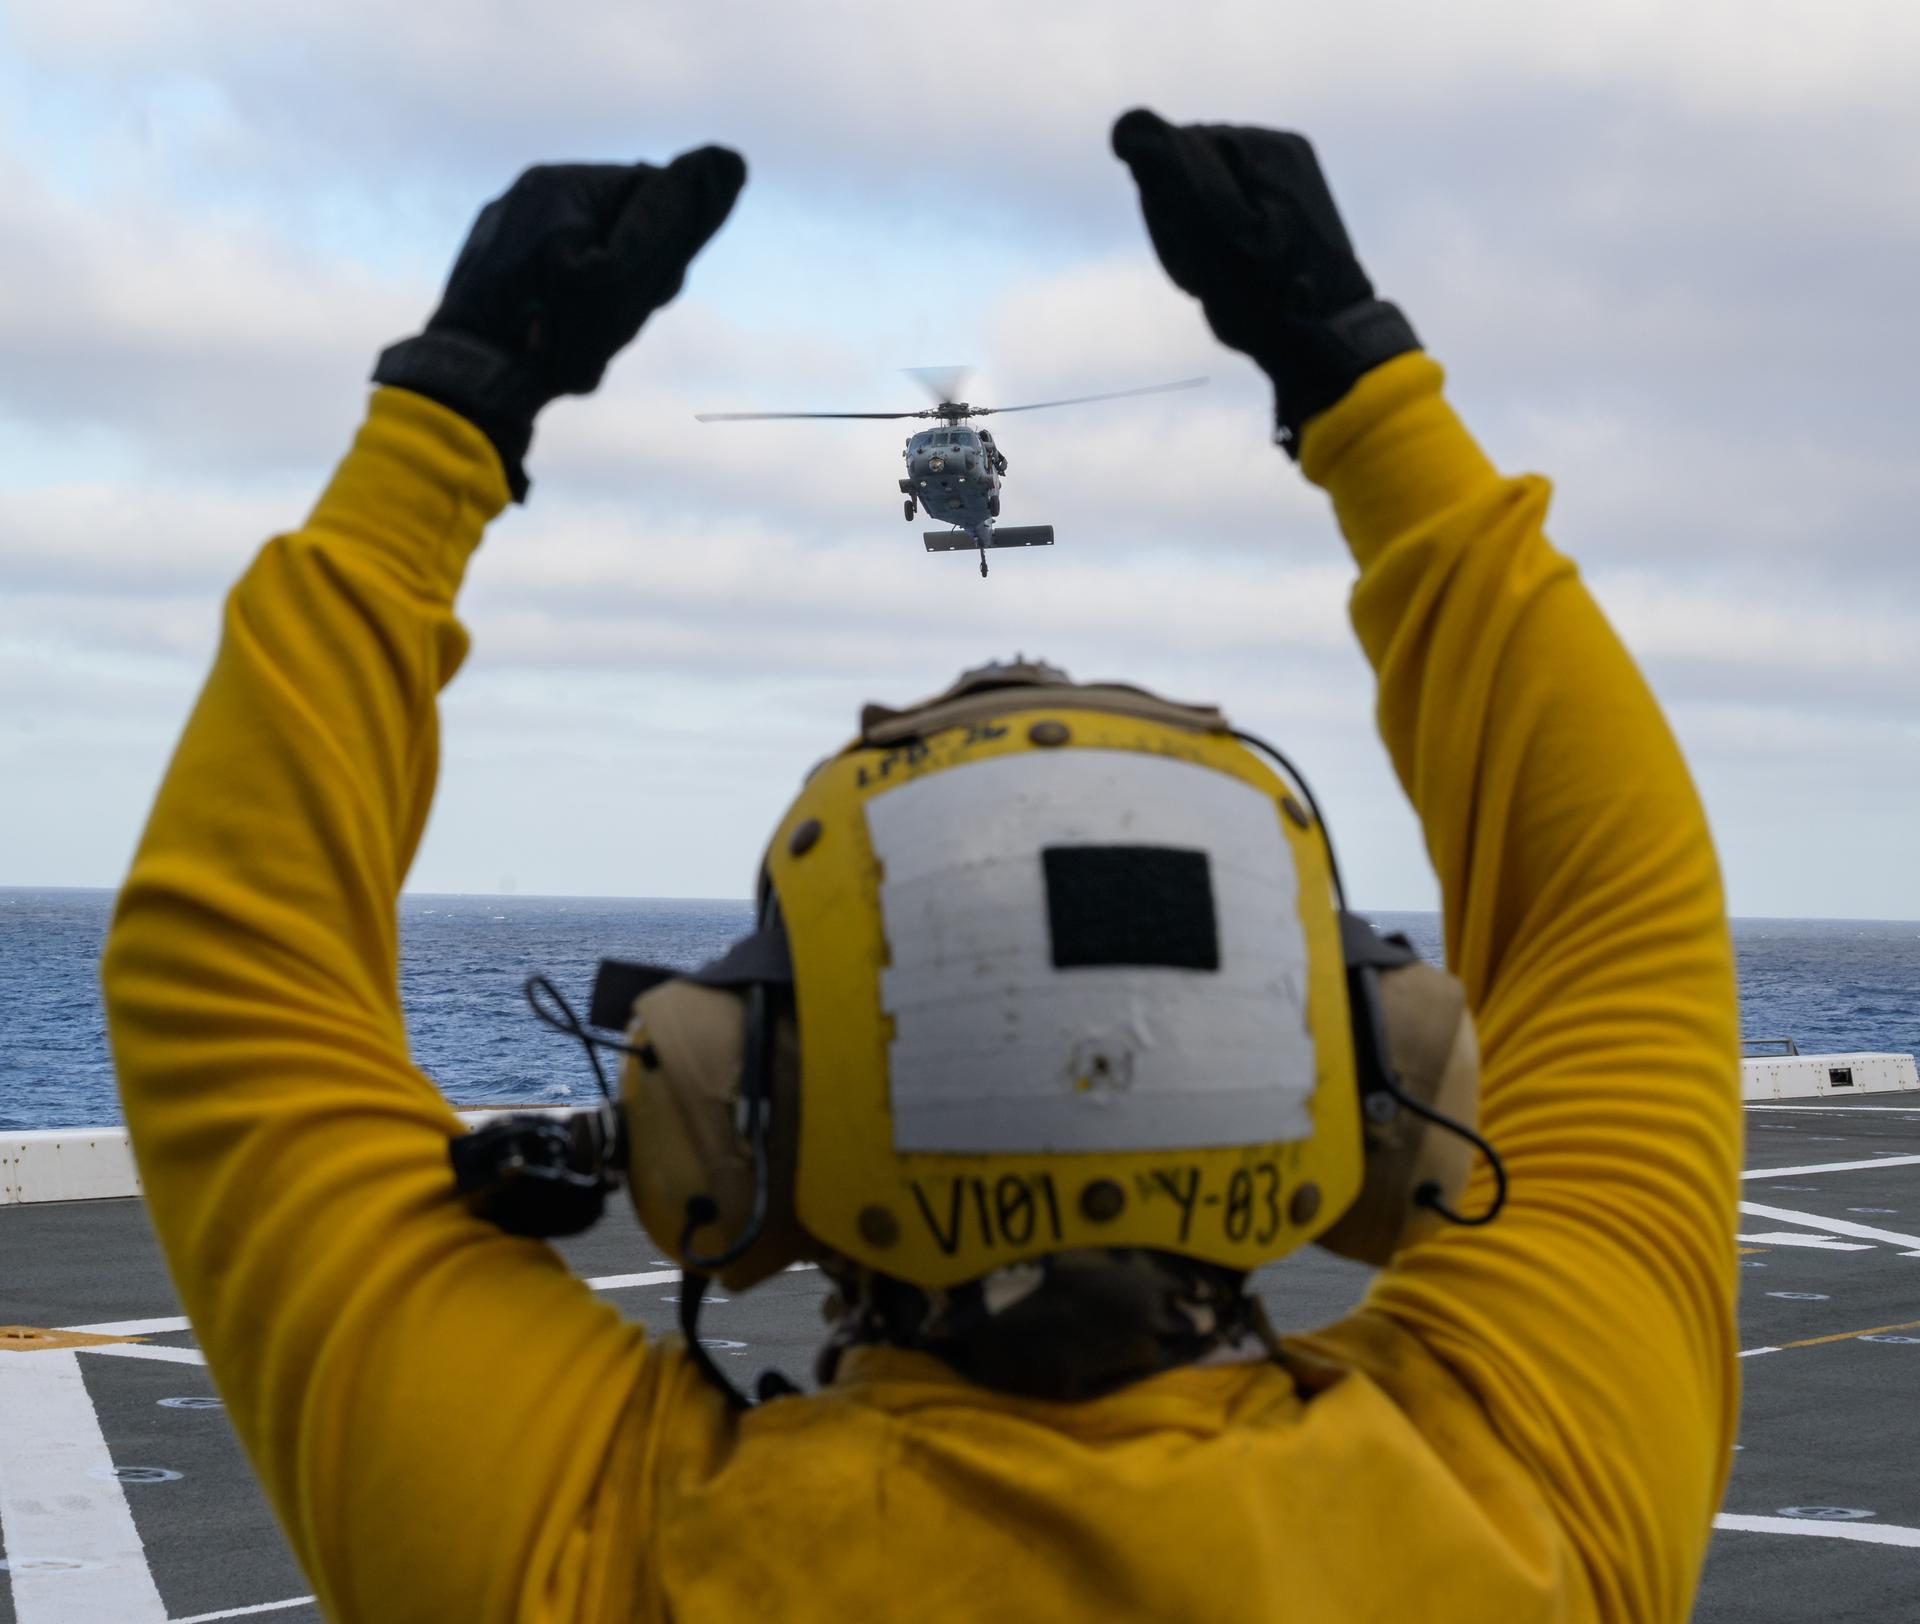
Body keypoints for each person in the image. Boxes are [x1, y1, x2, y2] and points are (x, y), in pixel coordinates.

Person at [102, 110, 1740, 1622]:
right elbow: (1625, 925)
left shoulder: (595, 1561)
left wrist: (449, 415)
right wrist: (1364, 387)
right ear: (1371, 1078)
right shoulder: (1537, 1504)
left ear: (732, 1106)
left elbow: (219, 976)